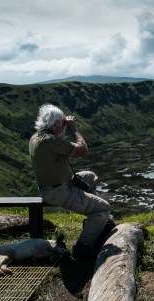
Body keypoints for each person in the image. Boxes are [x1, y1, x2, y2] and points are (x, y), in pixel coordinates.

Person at [29, 103, 112, 260]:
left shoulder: (36, 138)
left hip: (52, 188)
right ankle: (82, 248)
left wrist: (62, 127)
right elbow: (83, 150)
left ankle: (92, 223)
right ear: (57, 124)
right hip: (60, 192)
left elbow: (58, 143)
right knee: (103, 208)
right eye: (62, 124)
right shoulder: (50, 141)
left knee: (90, 176)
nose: (65, 127)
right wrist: (74, 129)